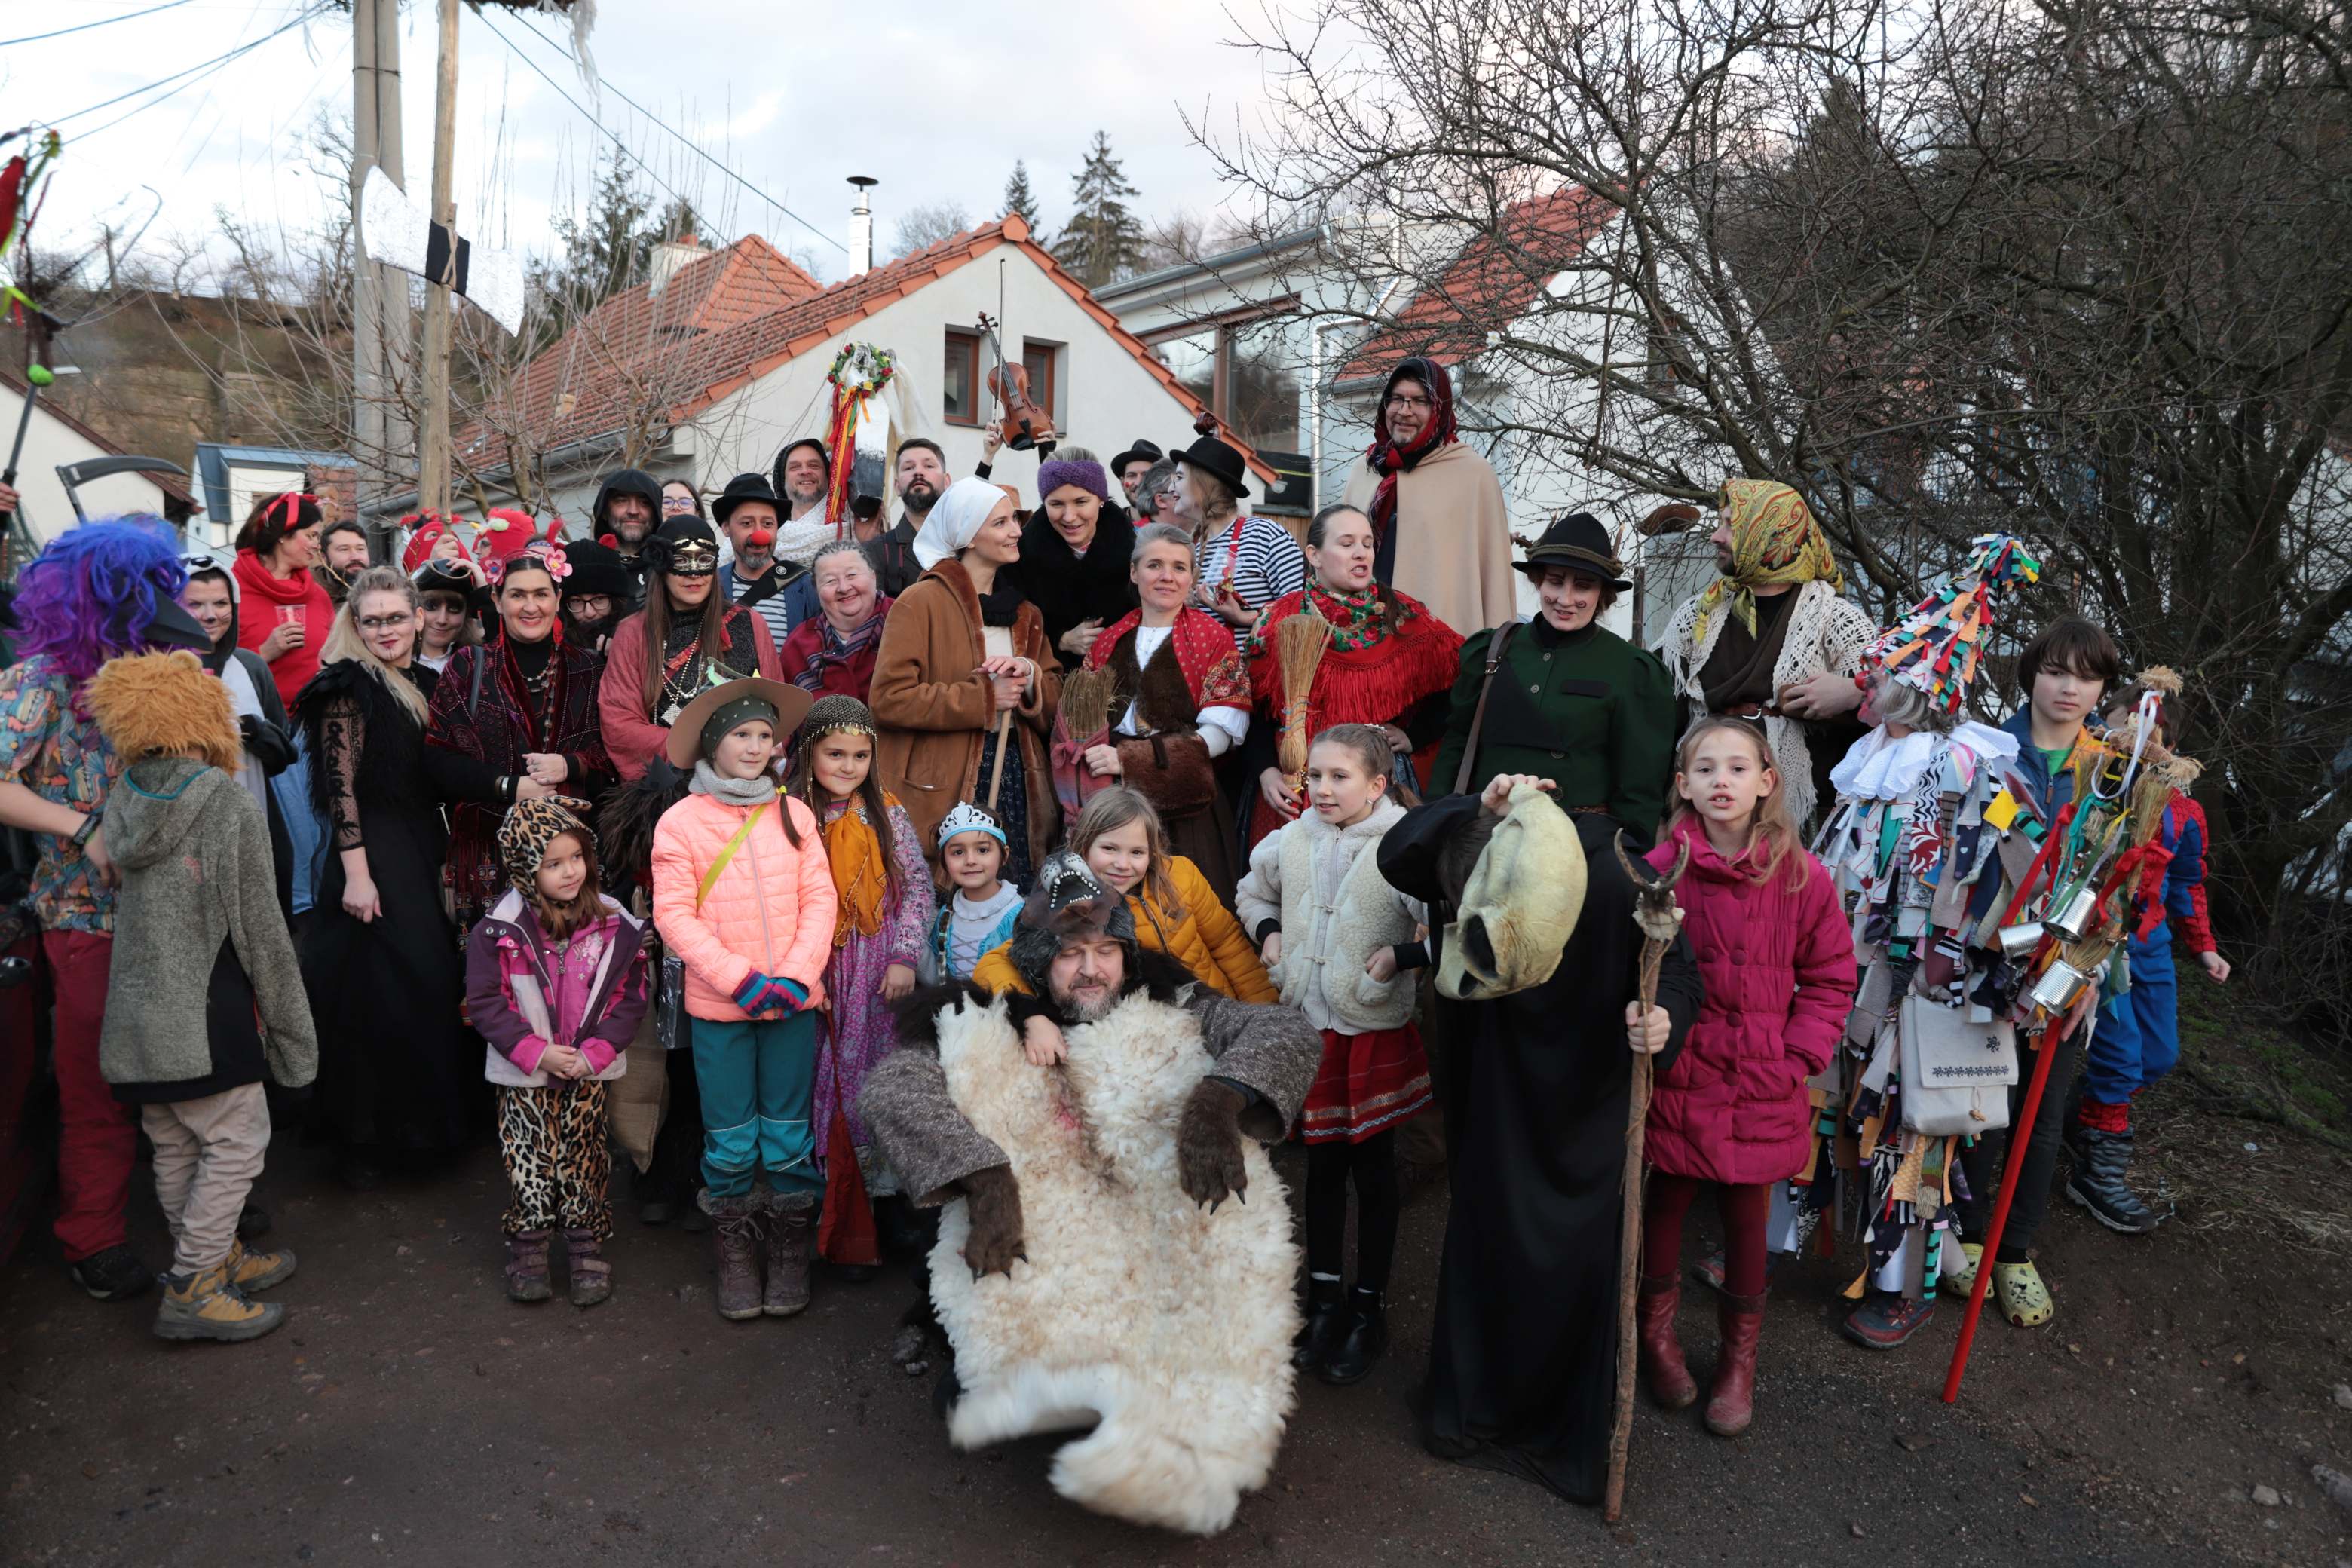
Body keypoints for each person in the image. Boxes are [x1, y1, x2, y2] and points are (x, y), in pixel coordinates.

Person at [859, 855, 1324, 1534]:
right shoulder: (984, 1021)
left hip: (1155, 1233)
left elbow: (1284, 1031)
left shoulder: (1173, 1003)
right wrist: (984, 1177)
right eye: (1070, 955)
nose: (1091, 970)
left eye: (1106, 951)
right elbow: (892, 1089)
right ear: (1037, 964)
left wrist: (1219, 1101)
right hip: (1050, 1240)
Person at [1376, 774, 1700, 1504]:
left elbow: (1678, 972)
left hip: (1587, 1101)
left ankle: (1557, 1426)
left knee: (1572, 1261)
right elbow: (1399, 856)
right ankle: (1474, 1409)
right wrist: (1478, 808)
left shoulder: (1617, 874)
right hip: (1496, 1088)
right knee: (1488, 1241)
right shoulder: (1489, 844)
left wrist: (1664, 1020)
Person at [1808, 536, 2044, 1348]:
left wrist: (1960, 959)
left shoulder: (1973, 768)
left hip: (1928, 983)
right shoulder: (1870, 759)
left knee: (1912, 1130)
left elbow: (2012, 873)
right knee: (1826, 1101)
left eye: (1883, 675)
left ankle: (1900, 1285)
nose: (1867, 685)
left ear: (1925, 687)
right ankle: (1781, 1240)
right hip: (1849, 967)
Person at [86, 651, 315, 1343]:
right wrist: (292, 1028)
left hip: (138, 1015)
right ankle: (195, 1285)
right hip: (205, 1006)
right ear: (205, 714)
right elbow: (260, 924)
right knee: (237, 1140)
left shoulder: (124, 794)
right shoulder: (220, 796)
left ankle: (216, 1258)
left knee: (174, 1143)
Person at [1634, 718, 1853, 1435]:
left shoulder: (1801, 876)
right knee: (1666, 1198)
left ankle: (1737, 1362)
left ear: (1766, 782)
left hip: (1761, 1073)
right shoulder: (1657, 869)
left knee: (1745, 1210)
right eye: (1705, 769)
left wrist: (1795, 1057)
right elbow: (1632, 965)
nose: (1721, 781)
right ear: (1683, 785)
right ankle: (1655, 1336)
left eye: (1736, 768)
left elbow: (1830, 976)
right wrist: (1645, 1026)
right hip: (1681, 1070)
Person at [0, 522, 200, 1301]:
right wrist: (83, 830)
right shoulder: (40, 679)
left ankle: (207, 1222)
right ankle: (93, 1236)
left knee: (192, 1073)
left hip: (174, 908)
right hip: (85, 918)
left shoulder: (159, 668)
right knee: (96, 1086)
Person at [295, 567, 509, 1188]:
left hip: (421, 846)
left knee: (428, 986)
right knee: (382, 992)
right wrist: (357, 875)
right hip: (370, 853)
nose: (385, 630)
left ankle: (427, 1133)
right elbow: (338, 791)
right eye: (372, 621)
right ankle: (373, 1142)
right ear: (356, 625)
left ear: (418, 618)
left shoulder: (429, 682)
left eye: (395, 618)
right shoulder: (348, 686)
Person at [1235, 724, 1430, 1386]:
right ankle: (1322, 1303)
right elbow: (1252, 891)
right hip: (1310, 1029)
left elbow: (1452, 920)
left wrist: (1402, 955)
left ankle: (1367, 1310)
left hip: (1369, 1027)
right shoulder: (1291, 839)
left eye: (1339, 777)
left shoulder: (1403, 846)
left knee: (1373, 1173)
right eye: (1314, 776)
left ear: (1377, 785)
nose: (1321, 789)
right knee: (1320, 1169)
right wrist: (1269, 935)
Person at [1954, 613, 2125, 1331]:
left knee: (2041, 1112)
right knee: (1977, 1102)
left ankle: (2014, 1250)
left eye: (2086, 677)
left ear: (2103, 688)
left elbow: (2121, 883)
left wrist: (2091, 972)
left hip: (2065, 972)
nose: (2068, 688)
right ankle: (1965, 1235)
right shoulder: (1987, 752)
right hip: (1988, 957)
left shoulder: (2115, 773)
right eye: (2055, 671)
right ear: (2031, 675)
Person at [650, 675, 835, 1321]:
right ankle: (734, 1247)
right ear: (712, 744)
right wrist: (741, 980)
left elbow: (819, 900)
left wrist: (796, 977)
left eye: (764, 735)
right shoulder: (680, 824)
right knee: (730, 1135)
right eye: (741, 736)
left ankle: (788, 1249)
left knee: (788, 1132)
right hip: (723, 1008)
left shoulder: (795, 814)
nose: (756, 747)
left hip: (791, 1003)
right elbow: (674, 917)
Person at [466, 796, 651, 1309]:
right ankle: (529, 1249)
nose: (571, 872)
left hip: (588, 1069)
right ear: (525, 869)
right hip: (524, 1073)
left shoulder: (614, 924)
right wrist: (537, 1052)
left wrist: (593, 1054)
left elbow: (629, 999)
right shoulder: (498, 931)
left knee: (585, 1155)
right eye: (553, 864)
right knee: (529, 1157)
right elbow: (486, 1003)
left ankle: (585, 1246)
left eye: (576, 857)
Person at [2064, 673, 2228, 1235]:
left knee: (2157, 1056)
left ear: (2171, 746)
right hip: (2094, 940)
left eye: (2151, 733)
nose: (2135, 739)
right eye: (2125, 725)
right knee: (2121, 1057)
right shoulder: (2088, 779)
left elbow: (2186, 882)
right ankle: (2096, 1173)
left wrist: (2203, 946)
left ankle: (2078, 1119)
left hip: (2149, 944)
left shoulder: (2183, 809)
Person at [783, 695, 933, 1257]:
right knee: (819, 1082)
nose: (848, 767)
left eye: (860, 755)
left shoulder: (887, 813)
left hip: (877, 976)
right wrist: (802, 971)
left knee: (877, 1082)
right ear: (809, 753)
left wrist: (903, 956)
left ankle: (885, 1208)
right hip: (815, 969)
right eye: (835, 754)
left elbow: (917, 889)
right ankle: (832, 1210)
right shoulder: (790, 815)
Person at [1433, 513, 1676, 844]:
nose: (1565, 599)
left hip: (1576, 842)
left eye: (1583, 586)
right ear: (1538, 581)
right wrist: (1437, 821)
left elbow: (1640, 786)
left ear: (1603, 593)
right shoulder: (1489, 650)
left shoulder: (1634, 670)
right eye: (1555, 581)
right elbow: (1456, 746)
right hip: (1482, 836)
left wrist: (1625, 853)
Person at [870, 476, 1063, 884]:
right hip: (944, 783)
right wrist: (984, 699)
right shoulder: (920, 602)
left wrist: (1029, 676)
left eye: (1015, 520)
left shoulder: (1026, 613)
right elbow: (889, 699)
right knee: (951, 901)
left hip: (1017, 781)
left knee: (1012, 898)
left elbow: (1055, 696)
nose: (1016, 531)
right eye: (1001, 523)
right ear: (968, 536)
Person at [1656, 479, 1873, 832]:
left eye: (1730, 525)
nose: (1716, 536)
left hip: (1802, 820)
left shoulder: (1836, 620)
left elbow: (1900, 705)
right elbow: (1664, 720)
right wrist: (1661, 817)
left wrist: (1855, 692)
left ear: (1770, 533)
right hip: (1704, 813)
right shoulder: (1697, 616)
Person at [1243, 504, 1462, 850]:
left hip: (1375, 791)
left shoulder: (1403, 617)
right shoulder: (1277, 620)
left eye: (1367, 544)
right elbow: (1255, 708)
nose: (1361, 553)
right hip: (1294, 788)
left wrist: (1414, 735)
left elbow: (1458, 680)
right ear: (1314, 555)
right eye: (1346, 544)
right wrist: (1265, 771)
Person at [426, 548, 615, 940]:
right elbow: (437, 759)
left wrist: (571, 764)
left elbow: (616, 758)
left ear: (558, 599)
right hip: (490, 857)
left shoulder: (590, 669)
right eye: (517, 595)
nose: (530, 607)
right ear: (497, 600)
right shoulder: (468, 667)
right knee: (499, 972)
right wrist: (509, 786)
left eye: (541, 594)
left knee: (578, 971)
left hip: (574, 862)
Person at [978, 783, 1276, 1015]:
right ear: (1084, 846)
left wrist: (1264, 1011)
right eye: (1109, 849)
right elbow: (996, 962)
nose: (1123, 864)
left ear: (1152, 851)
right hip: (1155, 1031)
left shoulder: (1181, 875)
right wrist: (1031, 1015)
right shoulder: (1068, 901)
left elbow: (1228, 946)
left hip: (1221, 1008)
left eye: (1137, 852)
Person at [1073, 522, 1253, 899]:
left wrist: (1131, 759)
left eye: (1179, 567)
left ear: (1192, 578)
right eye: (1154, 565)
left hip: (1185, 805)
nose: (1167, 577)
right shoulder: (1109, 641)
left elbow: (1220, 734)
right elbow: (1080, 721)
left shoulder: (1212, 638)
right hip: (1112, 802)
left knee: (1184, 905)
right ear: (1134, 572)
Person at [1337, 356, 1518, 636]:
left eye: (1420, 401)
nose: (1404, 411)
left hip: (1435, 643)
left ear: (1439, 409)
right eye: (1397, 399)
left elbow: (1493, 579)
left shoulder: (1472, 475)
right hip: (1363, 635)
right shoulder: (1367, 470)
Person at [596, 513, 783, 783]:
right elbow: (620, 725)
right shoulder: (633, 632)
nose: (694, 573)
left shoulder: (749, 623)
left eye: (704, 560)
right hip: (667, 786)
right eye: (681, 560)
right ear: (662, 565)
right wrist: (707, 751)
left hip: (743, 782)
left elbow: (776, 708)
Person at [1171, 435, 1304, 631]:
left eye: (1179, 478)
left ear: (1204, 483)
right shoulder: (1193, 547)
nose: (1170, 488)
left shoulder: (1264, 534)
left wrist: (1243, 617)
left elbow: (1300, 613)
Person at [1012, 456, 1138, 661]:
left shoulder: (1135, 552)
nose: (1069, 517)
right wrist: (1060, 639)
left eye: (1081, 502)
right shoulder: (1020, 557)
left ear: (1101, 500)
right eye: (1056, 504)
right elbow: (1014, 625)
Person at [232, 491, 337, 708]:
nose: (317, 545)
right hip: (256, 720)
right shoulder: (230, 591)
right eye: (311, 536)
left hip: (316, 717)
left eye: (318, 537)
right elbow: (210, 666)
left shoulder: (318, 595)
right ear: (283, 534)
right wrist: (263, 653)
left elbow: (338, 652)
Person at [714, 472, 819, 652]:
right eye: (747, 523)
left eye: (768, 524)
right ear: (726, 528)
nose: (759, 535)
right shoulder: (712, 585)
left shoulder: (806, 586)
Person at [777, 541, 893, 703]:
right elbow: (786, 711)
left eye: (852, 575)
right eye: (830, 581)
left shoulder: (904, 620)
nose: (843, 588)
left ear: (873, 577)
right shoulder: (798, 645)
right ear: (816, 591)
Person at [924, 802, 1021, 985]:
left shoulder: (1019, 916)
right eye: (958, 852)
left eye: (982, 850)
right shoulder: (946, 916)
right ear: (944, 862)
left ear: (1004, 855)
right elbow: (937, 974)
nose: (970, 860)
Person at [867, 439, 940, 599]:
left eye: (929, 466)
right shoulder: (877, 551)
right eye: (908, 468)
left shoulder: (965, 545)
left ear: (946, 481)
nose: (918, 472)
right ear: (897, 486)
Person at [589, 467, 664, 601]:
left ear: (655, 514)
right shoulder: (586, 567)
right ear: (604, 512)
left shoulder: (670, 568)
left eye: (644, 502)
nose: (633, 511)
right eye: (621, 501)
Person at [556, 537, 632, 655]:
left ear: (617, 601)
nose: (589, 613)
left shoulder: (643, 638)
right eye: (576, 601)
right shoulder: (550, 650)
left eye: (599, 599)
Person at [413, 562, 480, 673]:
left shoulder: (479, 664)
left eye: (454, 608)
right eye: (431, 606)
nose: (442, 620)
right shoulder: (394, 662)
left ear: (466, 614)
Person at [314, 514, 372, 610]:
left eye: (360, 549)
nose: (355, 557)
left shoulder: (384, 590)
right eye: (344, 549)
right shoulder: (306, 594)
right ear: (323, 557)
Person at [1109, 439, 1164, 513]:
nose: (1138, 483)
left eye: (1146, 476)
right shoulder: (1107, 520)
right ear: (1122, 483)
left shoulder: (1177, 519)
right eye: (1131, 476)